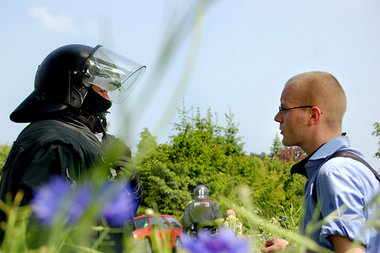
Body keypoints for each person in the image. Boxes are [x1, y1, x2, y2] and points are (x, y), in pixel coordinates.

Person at [0, 44, 145, 250]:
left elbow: (115, 219)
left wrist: (129, 181)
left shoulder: (81, 139)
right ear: (76, 89)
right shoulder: (57, 140)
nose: (108, 99)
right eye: (102, 89)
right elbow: (39, 231)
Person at [262, 71, 380, 252]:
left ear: (313, 115)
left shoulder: (334, 172)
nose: (277, 118)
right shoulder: (358, 166)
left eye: (284, 109)